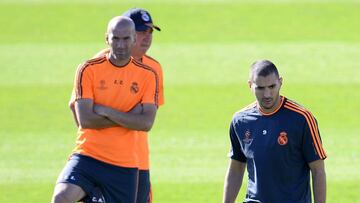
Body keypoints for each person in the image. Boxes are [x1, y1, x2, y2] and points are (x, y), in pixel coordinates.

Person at [51, 16, 159, 203]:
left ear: (134, 39)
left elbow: (146, 123)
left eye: (126, 39)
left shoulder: (148, 75)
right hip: (87, 156)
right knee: (61, 197)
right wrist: (129, 117)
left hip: (124, 165)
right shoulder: (88, 69)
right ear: (106, 39)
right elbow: (85, 119)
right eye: (115, 38)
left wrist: (105, 111)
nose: (121, 45)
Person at [222, 60, 327, 203]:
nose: (267, 94)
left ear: (281, 82)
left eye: (272, 86)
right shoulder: (240, 121)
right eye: (260, 88)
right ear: (250, 85)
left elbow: (318, 170)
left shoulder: (301, 118)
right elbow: (236, 168)